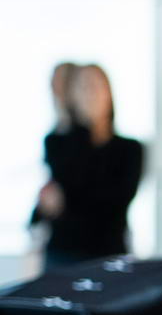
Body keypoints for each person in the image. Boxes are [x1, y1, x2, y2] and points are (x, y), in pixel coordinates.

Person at [34, 61, 145, 268]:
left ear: (109, 92)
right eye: (83, 88)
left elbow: (116, 204)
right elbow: (51, 204)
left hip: (109, 256)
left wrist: (67, 202)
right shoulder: (57, 142)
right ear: (72, 96)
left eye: (96, 86)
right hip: (63, 256)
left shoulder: (130, 148)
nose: (90, 94)